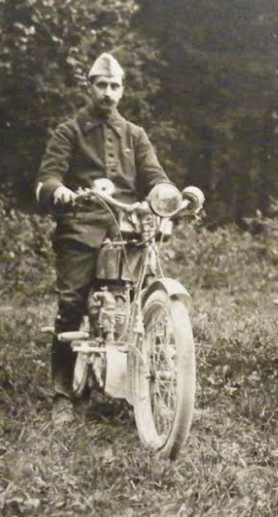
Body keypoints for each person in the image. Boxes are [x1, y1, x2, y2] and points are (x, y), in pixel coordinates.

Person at [36, 53, 174, 424]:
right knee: (71, 303)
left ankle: (155, 377)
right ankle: (63, 394)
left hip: (128, 226)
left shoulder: (134, 134)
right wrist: (59, 190)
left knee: (146, 297)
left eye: (114, 86)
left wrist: (163, 193)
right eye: (102, 85)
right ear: (90, 87)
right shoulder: (70, 131)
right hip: (81, 224)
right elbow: (47, 177)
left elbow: (155, 175)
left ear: (122, 90)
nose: (108, 93)